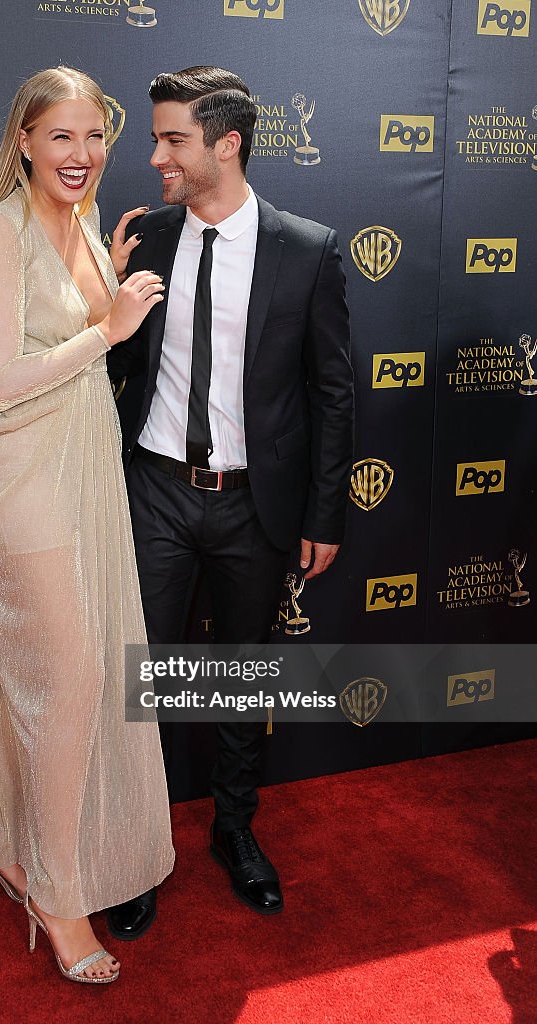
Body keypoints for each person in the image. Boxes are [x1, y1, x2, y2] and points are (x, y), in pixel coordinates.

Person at [106, 66, 353, 938]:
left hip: (256, 505)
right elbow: (113, 367)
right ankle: (136, 850)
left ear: (226, 143)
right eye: (156, 136)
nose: (154, 154)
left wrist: (324, 516)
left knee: (244, 677)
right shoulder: (148, 236)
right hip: (156, 495)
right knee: (145, 682)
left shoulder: (309, 248)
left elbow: (332, 394)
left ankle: (234, 831)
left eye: (172, 138)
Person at [0, 66, 175, 984]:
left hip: (85, 469)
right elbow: (2, 380)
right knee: (73, 677)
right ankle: (59, 895)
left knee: (30, 669)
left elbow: (70, 323)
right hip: (23, 477)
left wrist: (103, 268)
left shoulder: (80, 222)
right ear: (25, 143)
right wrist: (109, 329)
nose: (81, 154)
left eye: (94, 137)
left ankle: (1, 841)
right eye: (62, 137)